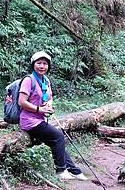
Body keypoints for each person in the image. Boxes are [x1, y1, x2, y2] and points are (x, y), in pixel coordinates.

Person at [17, 51, 88, 181]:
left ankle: (74, 171)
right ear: (33, 64)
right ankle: (61, 171)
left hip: (40, 119)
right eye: (39, 63)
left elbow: (49, 98)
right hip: (29, 122)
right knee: (58, 136)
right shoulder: (29, 80)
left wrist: (48, 105)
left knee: (56, 142)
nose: (42, 66)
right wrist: (40, 109)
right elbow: (21, 102)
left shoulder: (46, 80)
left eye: (45, 63)